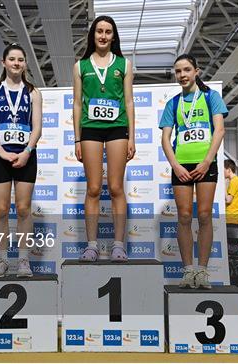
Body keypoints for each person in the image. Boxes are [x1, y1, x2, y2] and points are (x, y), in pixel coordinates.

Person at [159, 53, 227, 289]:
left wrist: (208, 161)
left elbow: (219, 131)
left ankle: (203, 270)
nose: (182, 75)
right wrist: (176, 166)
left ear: (196, 71)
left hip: (206, 163)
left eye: (186, 70)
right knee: (185, 216)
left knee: (205, 215)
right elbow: (166, 139)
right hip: (182, 166)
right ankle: (188, 270)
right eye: (178, 71)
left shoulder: (211, 97)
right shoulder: (173, 103)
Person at [73, 15, 135, 262]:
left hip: (117, 127)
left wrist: (132, 136)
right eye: (99, 31)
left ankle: (119, 244)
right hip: (90, 129)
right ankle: (92, 245)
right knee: (94, 188)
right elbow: (77, 104)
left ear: (113, 36)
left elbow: (128, 101)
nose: (103, 35)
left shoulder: (124, 64)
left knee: (117, 187)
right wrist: (76, 139)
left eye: (108, 32)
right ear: (93, 35)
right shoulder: (80, 66)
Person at [0, 44, 42, 278]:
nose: (16, 63)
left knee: (24, 209)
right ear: (4, 62)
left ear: (25, 64)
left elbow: (37, 127)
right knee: (2, 209)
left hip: (26, 154)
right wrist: (1, 152)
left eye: (21, 60)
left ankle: (24, 260)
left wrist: (27, 151)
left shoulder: (33, 92)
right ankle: (3, 260)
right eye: (12, 59)